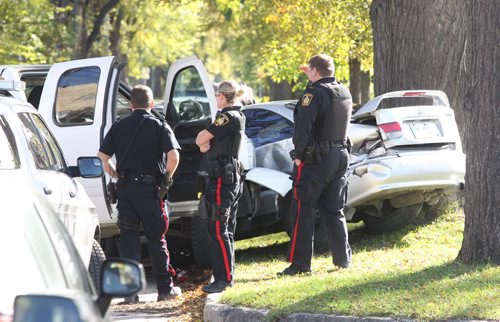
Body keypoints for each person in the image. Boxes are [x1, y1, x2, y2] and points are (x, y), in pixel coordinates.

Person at [97, 85, 181, 302]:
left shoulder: (118, 126)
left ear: (130, 104)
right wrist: (166, 180)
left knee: (128, 240)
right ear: (151, 104)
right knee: (156, 238)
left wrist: (115, 174)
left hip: (126, 191)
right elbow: (173, 157)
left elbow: (102, 157)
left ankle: (129, 293)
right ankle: (164, 289)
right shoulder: (160, 125)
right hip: (150, 191)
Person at [278, 54, 353, 276]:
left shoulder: (314, 93)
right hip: (340, 155)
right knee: (334, 210)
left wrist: (299, 155)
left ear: (315, 71)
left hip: (317, 159)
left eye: (308, 70)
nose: (306, 74)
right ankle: (343, 260)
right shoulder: (343, 91)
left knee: (302, 209)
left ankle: (300, 264)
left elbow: (303, 127)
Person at [195, 80, 245, 293]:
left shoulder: (226, 117)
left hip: (221, 180)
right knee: (225, 229)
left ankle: (223, 279)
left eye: (217, 95)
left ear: (223, 97)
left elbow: (201, 139)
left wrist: (204, 143)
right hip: (228, 177)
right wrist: (205, 144)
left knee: (217, 229)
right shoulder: (236, 116)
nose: (215, 99)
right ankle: (225, 275)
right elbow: (204, 145)